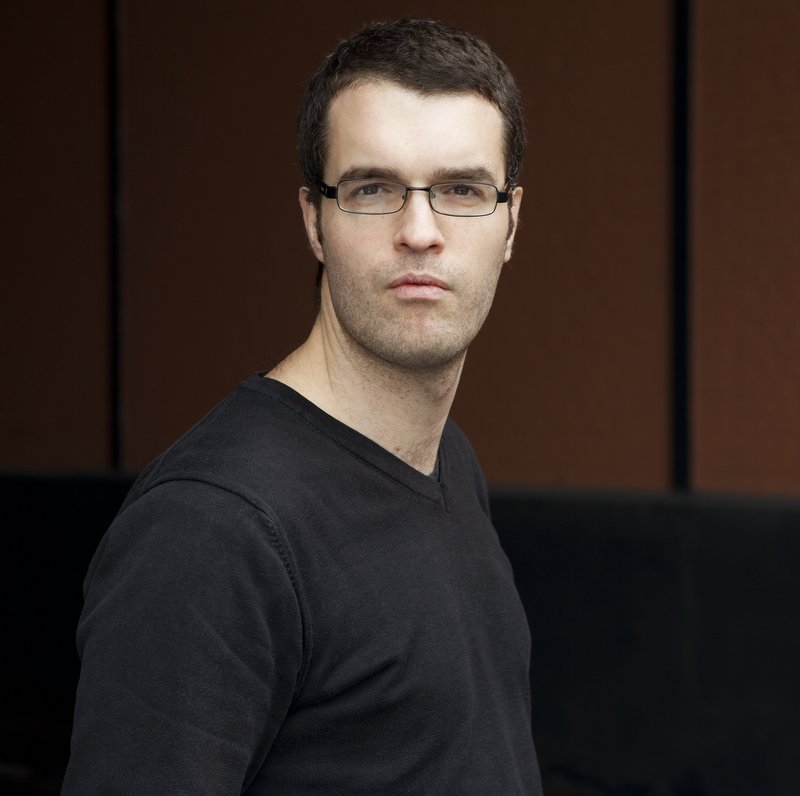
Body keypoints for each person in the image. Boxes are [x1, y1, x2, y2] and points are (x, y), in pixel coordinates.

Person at [62, 18, 542, 795]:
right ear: (314, 221)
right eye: (372, 189)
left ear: (511, 221)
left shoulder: (447, 459)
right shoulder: (214, 529)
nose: (420, 231)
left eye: (462, 190)